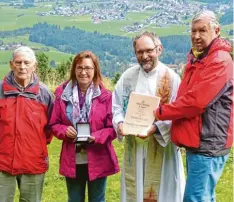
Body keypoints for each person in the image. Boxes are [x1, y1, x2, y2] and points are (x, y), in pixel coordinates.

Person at [154, 10, 233, 202]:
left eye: (202, 31)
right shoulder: (201, 58)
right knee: (204, 196)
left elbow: (195, 102)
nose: (196, 36)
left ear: (216, 30)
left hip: (208, 143)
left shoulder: (219, 61)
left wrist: (160, 112)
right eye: (193, 31)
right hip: (198, 140)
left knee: (194, 198)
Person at [112, 31, 185, 202]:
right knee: (135, 192)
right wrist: (120, 123)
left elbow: (178, 112)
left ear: (159, 49)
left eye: (149, 50)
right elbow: (116, 106)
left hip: (162, 149)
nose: (145, 56)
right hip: (135, 148)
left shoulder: (172, 78)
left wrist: (156, 128)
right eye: (140, 52)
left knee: (164, 194)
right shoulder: (127, 77)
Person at [49, 51, 119, 202]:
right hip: (72, 159)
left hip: (98, 157)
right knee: (74, 200)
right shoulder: (62, 95)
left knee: (97, 199)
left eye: (88, 68)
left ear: (95, 70)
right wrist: (64, 130)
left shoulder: (106, 97)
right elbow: (54, 124)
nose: (83, 72)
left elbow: (112, 128)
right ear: (74, 70)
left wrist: (96, 137)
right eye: (79, 68)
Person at [0, 46, 54, 202]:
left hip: (33, 162)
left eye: (26, 62)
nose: (22, 67)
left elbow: (50, 129)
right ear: (11, 64)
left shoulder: (44, 94)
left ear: (34, 66)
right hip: (2, 162)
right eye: (18, 62)